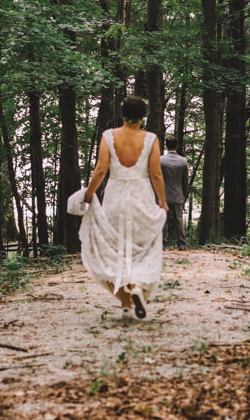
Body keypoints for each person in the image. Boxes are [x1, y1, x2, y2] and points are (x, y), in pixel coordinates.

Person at [67, 96, 167, 319]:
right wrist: (162, 201)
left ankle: (124, 305)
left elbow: (101, 169)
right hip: (141, 196)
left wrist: (89, 195)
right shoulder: (150, 139)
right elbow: (156, 174)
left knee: (117, 249)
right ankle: (138, 288)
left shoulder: (109, 136)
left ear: (122, 114)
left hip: (115, 197)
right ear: (144, 116)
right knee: (143, 246)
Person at [160, 137, 189, 250]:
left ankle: (161, 244)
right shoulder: (183, 161)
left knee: (163, 220)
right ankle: (182, 244)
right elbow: (185, 180)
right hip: (178, 194)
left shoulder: (160, 160)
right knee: (178, 220)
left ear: (166, 145)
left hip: (163, 195)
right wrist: (184, 194)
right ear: (176, 146)